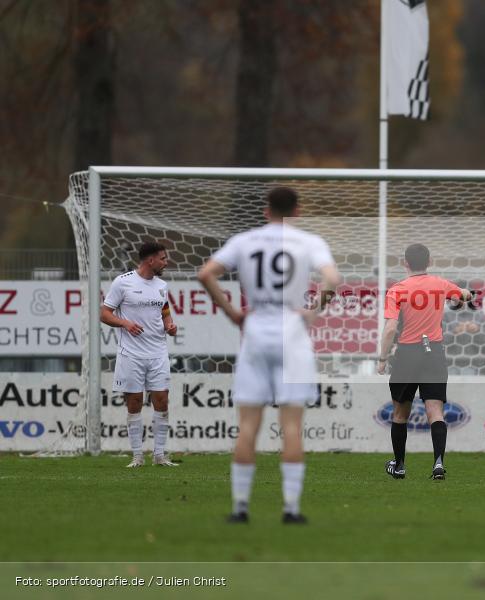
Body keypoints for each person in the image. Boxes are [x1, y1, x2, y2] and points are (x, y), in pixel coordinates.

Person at [198, 187, 340, 524]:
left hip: (257, 331)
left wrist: (233, 312)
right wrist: (313, 311)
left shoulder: (245, 241)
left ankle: (241, 507)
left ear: (266, 211)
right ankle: (290, 509)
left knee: (248, 426)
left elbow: (205, 274)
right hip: (292, 333)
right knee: (291, 426)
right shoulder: (308, 241)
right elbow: (333, 279)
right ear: (297, 211)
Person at [377, 243, 471, 481]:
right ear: (429, 261)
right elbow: (462, 296)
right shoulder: (440, 284)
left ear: (405, 263)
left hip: (407, 354)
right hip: (434, 352)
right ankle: (438, 463)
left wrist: (382, 358)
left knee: (400, 412)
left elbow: (390, 329)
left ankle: (399, 466)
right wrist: (466, 294)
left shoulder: (397, 290)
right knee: (435, 411)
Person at [101, 241, 178, 468]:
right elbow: (104, 314)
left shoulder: (162, 285)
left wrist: (170, 325)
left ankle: (160, 455)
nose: (166, 262)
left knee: (162, 400)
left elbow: (164, 311)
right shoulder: (123, 282)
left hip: (158, 352)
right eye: (163, 258)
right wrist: (125, 323)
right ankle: (137, 456)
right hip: (131, 353)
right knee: (134, 402)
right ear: (150, 260)